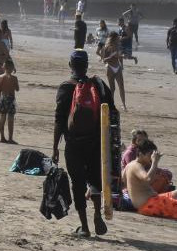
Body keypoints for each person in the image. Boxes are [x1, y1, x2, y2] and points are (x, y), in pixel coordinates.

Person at [52, 50, 115, 237]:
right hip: (96, 144)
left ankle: (84, 227)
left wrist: (55, 146)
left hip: (73, 145)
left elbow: (59, 119)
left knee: (77, 184)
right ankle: (97, 213)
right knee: (96, 180)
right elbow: (111, 112)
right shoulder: (98, 84)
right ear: (86, 65)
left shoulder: (65, 87)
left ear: (70, 65)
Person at [98, 32, 127, 111]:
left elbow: (120, 57)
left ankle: (124, 105)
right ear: (113, 39)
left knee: (121, 86)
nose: (119, 39)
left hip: (118, 68)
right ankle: (111, 105)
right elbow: (104, 60)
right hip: (110, 68)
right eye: (117, 38)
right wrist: (111, 56)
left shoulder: (118, 47)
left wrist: (122, 65)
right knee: (112, 88)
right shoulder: (105, 48)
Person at [0, 58, 19, 144]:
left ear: (4, 67)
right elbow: (17, 89)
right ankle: (10, 138)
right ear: (12, 68)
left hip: (3, 98)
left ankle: (2, 137)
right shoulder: (14, 78)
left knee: (2, 118)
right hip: (11, 99)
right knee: (10, 119)